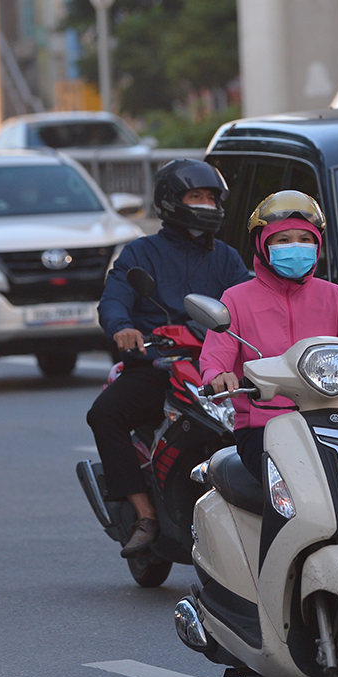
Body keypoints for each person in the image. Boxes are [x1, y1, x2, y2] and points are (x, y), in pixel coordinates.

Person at [86, 159, 249, 557]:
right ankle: (145, 513)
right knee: (103, 414)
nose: (207, 205)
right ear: (171, 201)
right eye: (197, 196)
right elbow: (114, 300)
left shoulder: (227, 258)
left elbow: (250, 304)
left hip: (216, 369)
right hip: (158, 366)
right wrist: (123, 328)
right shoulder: (140, 254)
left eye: (212, 197)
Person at [199, 191, 338, 480]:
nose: (296, 247)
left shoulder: (333, 296)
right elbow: (216, 358)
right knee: (297, 489)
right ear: (262, 246)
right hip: (263, 427)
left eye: (306, 239)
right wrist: (218, 377)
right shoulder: (236, 299)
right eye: (283, 240)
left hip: (334, 419)